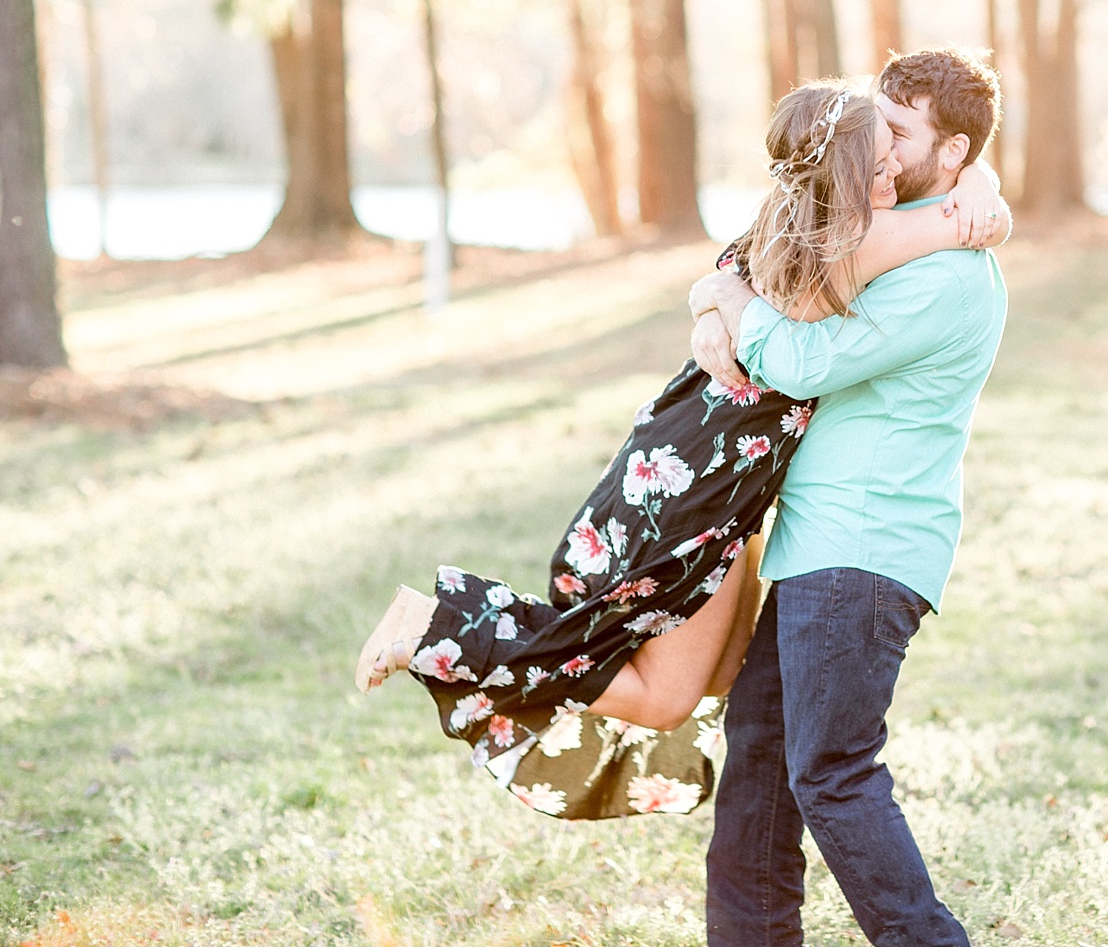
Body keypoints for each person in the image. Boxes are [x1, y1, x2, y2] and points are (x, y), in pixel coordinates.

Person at [350, 77, 1009, 821]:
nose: (893, 169)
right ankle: (441, 626)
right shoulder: (859, 232)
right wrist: (978, 193)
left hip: (716, 469)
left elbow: (740, 269)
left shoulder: (808, 215)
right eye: (882, 156)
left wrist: (975, 171)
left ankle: (452, 628)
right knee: (663, 696)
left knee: (723, 671)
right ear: (850, 171)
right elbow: (957, 227)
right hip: (703, 478)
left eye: (898, 148)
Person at [688, 47, 1007, 947]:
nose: (877, 143)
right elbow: (778, 258)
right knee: (759, 762)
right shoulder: (886, 233)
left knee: (831, 772)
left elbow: (800, 360)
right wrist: (718, 291)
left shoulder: (946, 273)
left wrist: (730, 302)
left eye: (899, 133)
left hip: (863, 555)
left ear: (951, 157)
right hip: (817, 548)